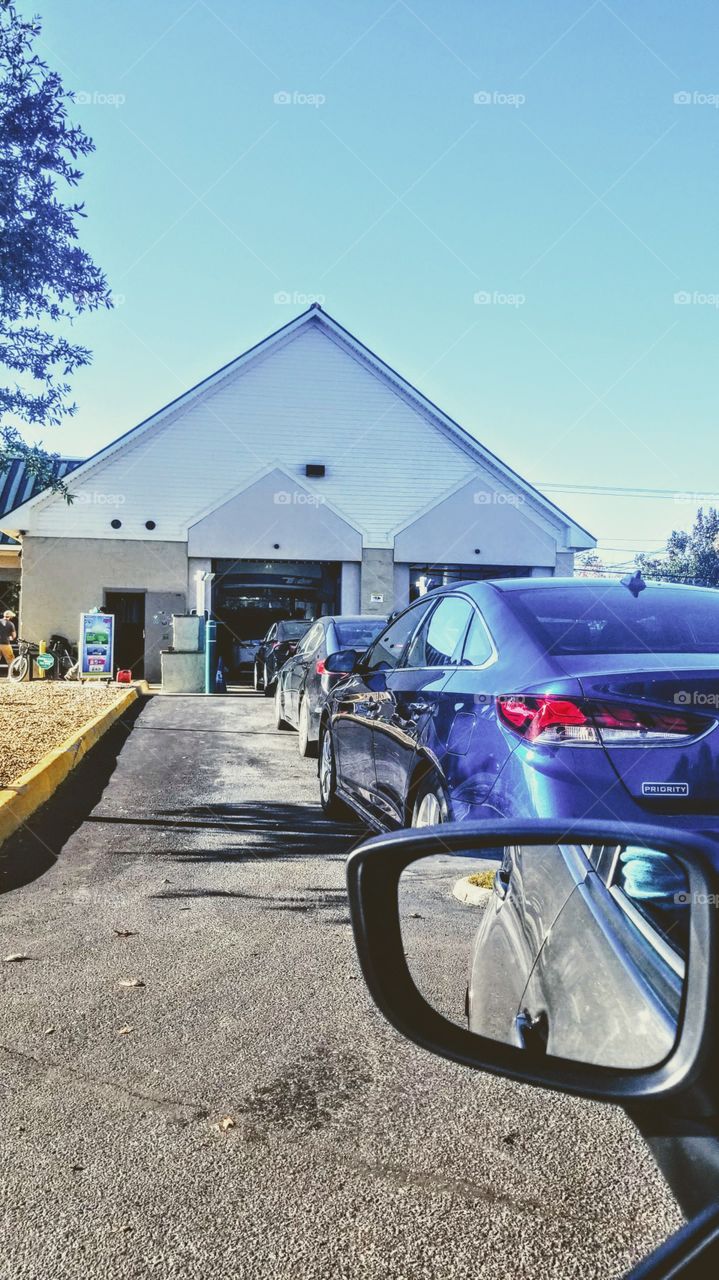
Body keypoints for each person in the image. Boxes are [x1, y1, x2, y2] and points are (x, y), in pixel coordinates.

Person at [0, 610, 16, 675]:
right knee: (10, 660)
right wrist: (11, 638)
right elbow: (14, 636)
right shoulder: (11, 624)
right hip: (6, 644)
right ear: (10, 617)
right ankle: (10, 675)